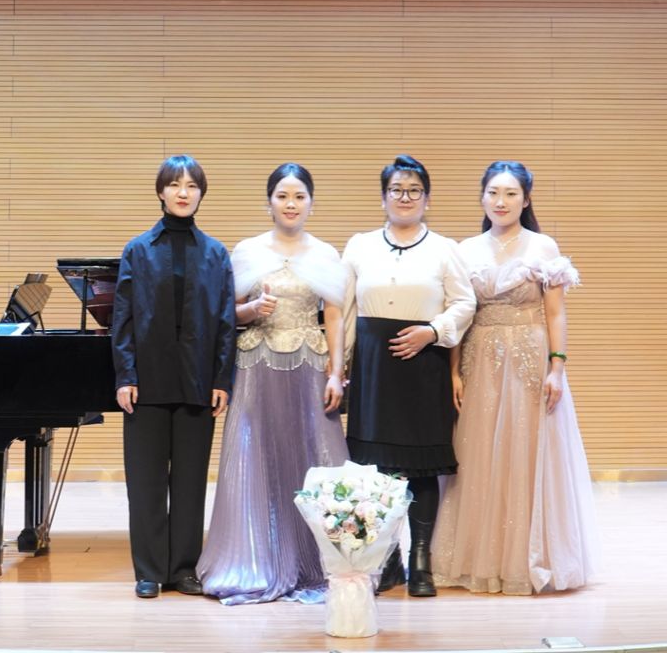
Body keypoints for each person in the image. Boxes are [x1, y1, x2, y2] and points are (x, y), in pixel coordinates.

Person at [431, 160, 599, 595]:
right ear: (482, 197)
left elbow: (555, 312)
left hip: (530, 359)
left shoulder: (542, 246)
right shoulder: (465, 249)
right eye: (493, 192)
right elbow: (458, 314)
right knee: (477, 453)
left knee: (527, 451)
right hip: (478, 359)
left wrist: (557, 366)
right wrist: (453, 371)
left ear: (526, 200)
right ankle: (477, 558)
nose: (500, 201)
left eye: (510, 193)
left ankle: (529, 558)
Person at [197, 163, 349, 605]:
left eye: (299, 196)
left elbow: (334, 316)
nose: (291, 204)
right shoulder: (246, 251)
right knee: (256, 455)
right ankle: (255, 559)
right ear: (269, 202)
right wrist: (251, 311)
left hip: (309, 366)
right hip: (257, 365)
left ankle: (317, 560)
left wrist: (336, 372)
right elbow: (227, 313)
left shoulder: (325, 253)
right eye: (282, 196)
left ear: (311, 203)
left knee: (313, 455)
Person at [342, 154, 476, 597]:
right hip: (373, 368)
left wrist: (432, 331)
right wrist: (340, 367)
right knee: (375, 469)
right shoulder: (360, 245)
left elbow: (465, 303)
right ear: (383, 197)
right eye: (396, 190)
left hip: (425, 364)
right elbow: (345, 310)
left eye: (414, 190)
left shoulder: (444, 248)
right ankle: (385, 560)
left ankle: (420, 561)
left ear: (427, 199)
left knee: (422, 466)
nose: (405, 197)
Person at [111, 154, 236, 599]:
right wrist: (125, 375)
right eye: (175, 184)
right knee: (145, 481)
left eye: (192, 185)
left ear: (201, 193)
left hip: (197, 380)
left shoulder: (216, 253)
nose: (183, 192)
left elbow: (226, 322)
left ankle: (183, 569)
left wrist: (222, 379)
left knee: (190, 481)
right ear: (161, 192)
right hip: (146, 381)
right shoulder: (138, 249)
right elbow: (123, 319)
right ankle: (148, 570)